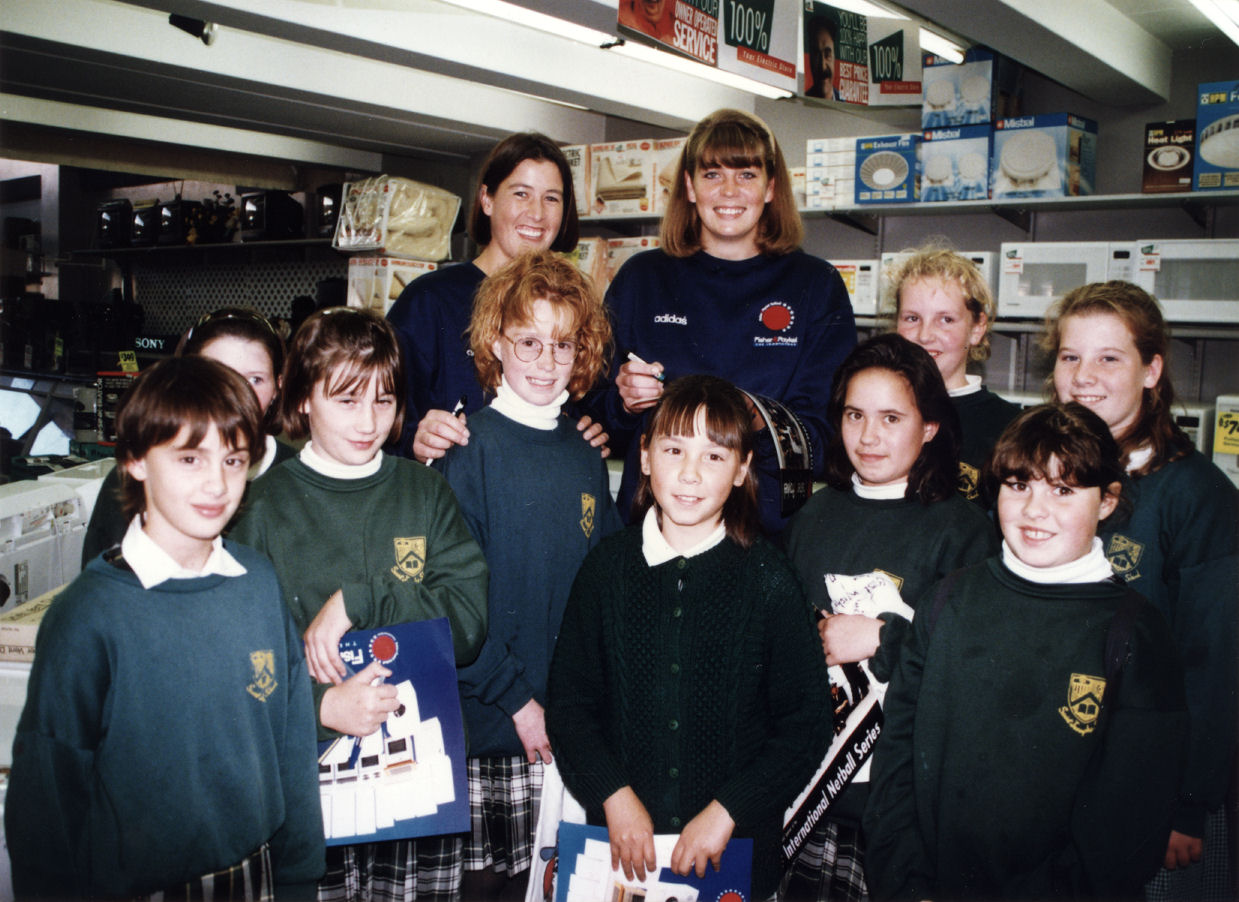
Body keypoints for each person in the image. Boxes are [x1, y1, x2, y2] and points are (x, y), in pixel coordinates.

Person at [6, 355, 324, 900]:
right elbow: (48, 804)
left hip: (258, 878)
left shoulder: (257, 584)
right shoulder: (89, 616)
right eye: (189, 459)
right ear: (133, 460)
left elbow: (292, 748)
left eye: (232, 460)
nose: (217, 484)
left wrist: (300, 878)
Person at [865, 402, 1187, 900]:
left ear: (1107, 501)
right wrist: (907, 886)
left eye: (1063, 490)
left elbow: (1130, 822)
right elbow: (897, 763)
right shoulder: (947, 601)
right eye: (1019, 486)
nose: (1035, 510)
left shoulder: (1134, 632)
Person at [229, 307, 489, 902]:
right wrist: (323, 706)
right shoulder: (258, 509)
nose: (369, 421)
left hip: (418, 791)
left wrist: (361, 599)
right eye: (346, 400)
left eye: (384, 400)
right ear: (301, 402)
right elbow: (240, 661)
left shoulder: (424, 491)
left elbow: (469, 621)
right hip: (308, 791)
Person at [546, 374, 832, 901]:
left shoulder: (769, 578)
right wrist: (613, 795)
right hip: (620, 857)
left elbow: (806, 723)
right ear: (647, 456)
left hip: (733, 855)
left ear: (743, 469)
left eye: (715, 457)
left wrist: (729, 811)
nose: (691, 474)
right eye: (675, 449)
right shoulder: (606, 569)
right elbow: (569, 706)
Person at [781, 333, 999, 901]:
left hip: (899, 802)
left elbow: (977, 668)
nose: (869, 436)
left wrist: (883, 637)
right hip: (808, 788)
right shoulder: (814, 513)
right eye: (854, 415)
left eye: (891, 418)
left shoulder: (964, 530)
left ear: (929, 428)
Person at [433, 250, 623, 899]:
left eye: (562, 344)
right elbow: (451, 607)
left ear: (583, 351)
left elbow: (609, 590)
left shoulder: (585, 458)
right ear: (496, 343)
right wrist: (517, 701)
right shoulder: (468, 453)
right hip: (493, 731)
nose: (545, 362)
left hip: (566, 737)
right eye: (528, 342)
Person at [1045, 281, 1238, 901]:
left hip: (1155, 792)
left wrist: (1189, 804)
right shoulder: (1054, 476)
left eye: (1109, 358)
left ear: (1152, 369)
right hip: (1065, 773)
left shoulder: (1195, 495)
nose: (1084, 377)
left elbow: (1217, 662)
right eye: (1070, 356)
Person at [603, 108, 857, 533]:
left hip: (766, 531)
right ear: (688, 185)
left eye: (746, 175)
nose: (729, 191)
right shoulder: (642, 278)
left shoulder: (816, 285)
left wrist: (756, 421)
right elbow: (594, 418)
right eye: (712, 175)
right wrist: (623, 401)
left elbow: (829, 436)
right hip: (655, 528)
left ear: (771, 186)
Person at [385, 132, 607, 465]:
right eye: (521, 194)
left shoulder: (572, 304)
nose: (536, 213)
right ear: (487, 200)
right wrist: (413, 438)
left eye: (552, 198)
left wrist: (591, 427)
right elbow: (377, 411)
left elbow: (585, 403)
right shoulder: (429, 300)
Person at [82, 305, 293, 564]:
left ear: (277, 387)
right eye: (216, 374)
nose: (235, 392)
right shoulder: (140, 475)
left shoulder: (298, 476)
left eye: (255, 379)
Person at [888, 246, 1020, 504]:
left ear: (977, 328)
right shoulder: (874, 410)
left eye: (946, 319)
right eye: (912, 318)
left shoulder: (1011, 427)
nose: (925, 335)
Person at [805, 16, 840, 100]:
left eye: (827, 54)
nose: (822, 66)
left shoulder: (847, 105)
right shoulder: (799, 106)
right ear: (810, 58)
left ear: (835, 57)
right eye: (816, 54)